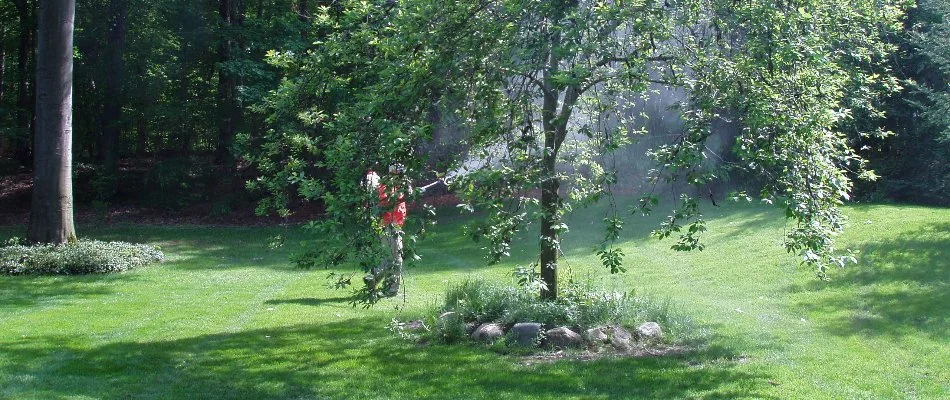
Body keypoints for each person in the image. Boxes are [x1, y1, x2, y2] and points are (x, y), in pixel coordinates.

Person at [364, 164, 441, 297]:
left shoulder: (398, 185)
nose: (403, 177)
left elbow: (404, 198)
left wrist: (411, 192)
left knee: (391, 256)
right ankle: (391, 289)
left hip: (394, 225)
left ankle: (373, 278)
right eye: (400, 174)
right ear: (394, 174)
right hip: (388, 225)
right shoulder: (385, 185)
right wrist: (405, 194)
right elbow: (387, 202)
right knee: (396, 258)